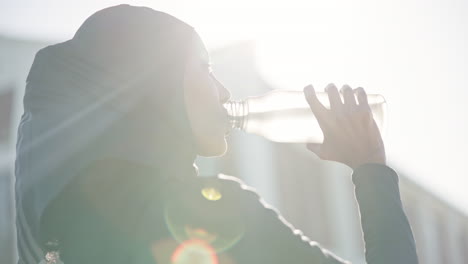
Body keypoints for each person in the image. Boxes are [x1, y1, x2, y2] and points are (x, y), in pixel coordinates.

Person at [14, 4, 418, 264]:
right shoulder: (211, 215)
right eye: (205, 68)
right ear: (155, 84)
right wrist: (371, 171)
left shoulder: (51, 222)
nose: (223, 91)